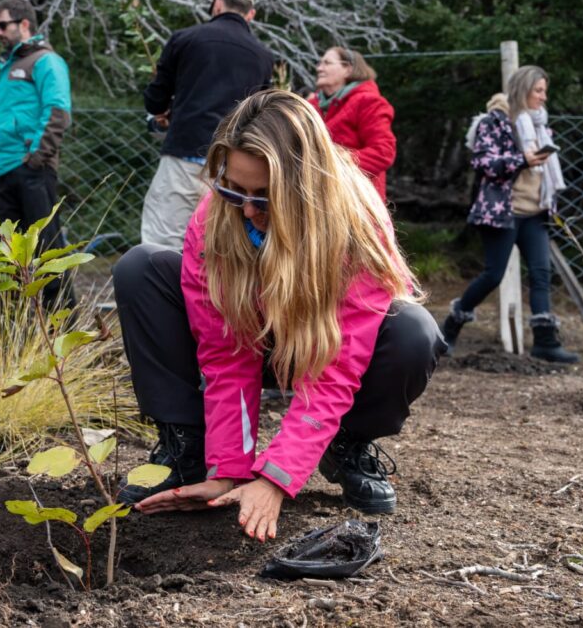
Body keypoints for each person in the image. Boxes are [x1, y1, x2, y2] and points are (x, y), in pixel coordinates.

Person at [113, 90, 446, 542]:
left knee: (413, 331)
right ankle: (188, 449)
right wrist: (229, 470)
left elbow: (336, 370)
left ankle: (345, 442)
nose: (247, 211)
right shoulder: (215, 219)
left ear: (304, 186)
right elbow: (224, 353)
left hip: (322, 349)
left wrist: (276, 478)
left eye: (265, 198)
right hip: (259, 340)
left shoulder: (356, 224)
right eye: (235, 190)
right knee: (142, 267)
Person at [441, 68, 578, 364]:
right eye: (538, 90)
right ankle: (450, 328)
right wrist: (522, 160)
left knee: (542, 274)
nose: (544, 97)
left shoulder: (541, 125)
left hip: (535, 211)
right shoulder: (494, 122)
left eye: (544, 91)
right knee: (493, 275)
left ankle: (545, 342)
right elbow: (483, 162)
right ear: (523, 90)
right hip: (503, 211)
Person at [140, 0, 274, 251]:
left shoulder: (186, 39)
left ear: (216, 4)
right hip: (231, 169)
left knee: (162, 244)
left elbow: (155, 101)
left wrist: (167, 110)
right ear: (251, 14)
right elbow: (259, 115)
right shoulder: (263, 56)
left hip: (183, 156)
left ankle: (161, 295)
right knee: (220, 248)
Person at [0, 0, 75, 311]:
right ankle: (15, 332)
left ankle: (63, 325)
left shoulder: (45, 61)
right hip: (0, 176)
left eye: (2, 25)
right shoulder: (5, 70)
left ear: (24, 24)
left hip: (32, 172)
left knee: (47, 250)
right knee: (8, 257)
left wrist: (36, 159)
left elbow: (58, 111)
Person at [309, 47, 396, 202]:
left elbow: (383, 152)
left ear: (348, 69)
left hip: (356, 202)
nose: (319, 68)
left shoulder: (368, 102)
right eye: (319, 63)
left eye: (327, 63)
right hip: (316, 198)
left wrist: (334, 163)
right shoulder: (312, 104)